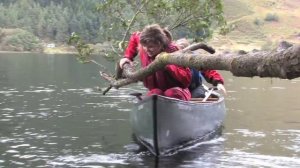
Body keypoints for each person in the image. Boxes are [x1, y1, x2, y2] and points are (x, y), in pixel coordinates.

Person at [119, 24, 192, 101]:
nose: (147, 50)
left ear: (160, 44)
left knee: (170, 93)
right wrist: (127, 57)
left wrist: (167, 65)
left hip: (178, 91)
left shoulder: (174, 51)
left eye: (151, 47)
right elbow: (134, 37)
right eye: (144, 46)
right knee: (155, 94)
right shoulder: (144, 42)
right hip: (156, 90)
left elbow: (186, 80)